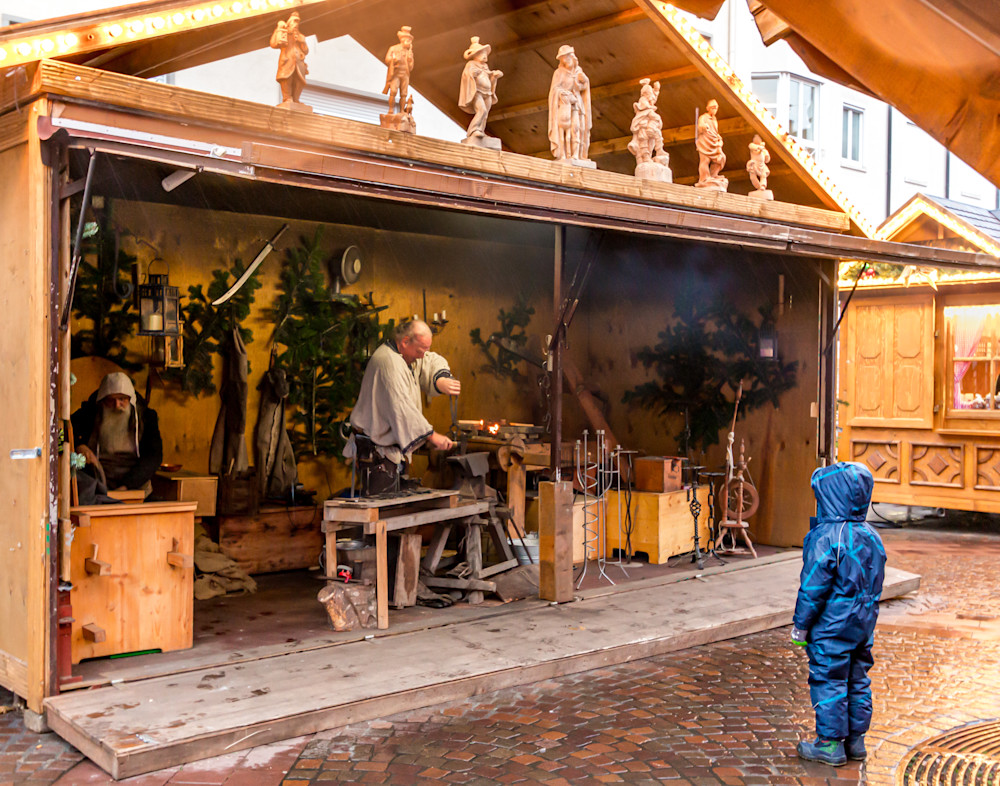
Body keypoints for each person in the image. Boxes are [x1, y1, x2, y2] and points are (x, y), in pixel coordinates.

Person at [791, 462, 886, 766]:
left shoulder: (826, 536)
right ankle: (856, 743)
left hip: (831, 626)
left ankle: (830, 745)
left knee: (829, 678)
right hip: (863, 623)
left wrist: (801, 627)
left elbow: (812, 588)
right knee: (858, 678)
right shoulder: (871, 535)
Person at [345, 320, 461, 495]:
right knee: (382, 509)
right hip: (377, 452)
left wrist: (441, 379)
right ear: (405, 341)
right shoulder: (387, 363)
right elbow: (401, 408)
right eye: (420, 350)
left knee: (394, 508)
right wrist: (432, 436)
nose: (422, 355)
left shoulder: (406, 355)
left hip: (390, 450)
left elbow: (430, 360)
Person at [72, 372, 163, 497]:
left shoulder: (146, 418)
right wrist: (79, 445)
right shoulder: (90, 413)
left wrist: (127, 486)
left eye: (122, 399)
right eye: (111, 400)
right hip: (97, 484)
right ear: (103, 400)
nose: (117, 406)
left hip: (135, 485)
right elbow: (63, 431)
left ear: (130, 399)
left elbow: (154, 456)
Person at [547, 45, 592, 162]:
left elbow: (582, 87)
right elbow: (554, 90)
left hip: (577, 105)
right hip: (565, 105)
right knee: (564, 130)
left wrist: (584, 81)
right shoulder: (558, 73)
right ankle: (564, 154)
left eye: (566, 57)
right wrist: (562, 93)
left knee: (578, 129)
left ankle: (577, 154)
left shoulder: (578, 72)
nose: (564, 60)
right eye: (562, 58)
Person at [458, 37, 503, 144]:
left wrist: (494, 77)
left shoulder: (485, 66)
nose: (483, 56)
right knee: (481, 110)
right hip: (477, 92)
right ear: (474, 56)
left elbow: (489, 78)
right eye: (480, 54)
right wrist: (472, 74)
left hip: (487, 92)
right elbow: (467, 76)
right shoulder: (471, 65)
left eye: (484, 54)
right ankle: (473, 130)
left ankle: (481, 129)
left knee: (485, 113)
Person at [270, 12, 309, 106]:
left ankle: (296, 99)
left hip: (299, 63)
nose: (296, 25)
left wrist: (302, 42)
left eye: (297, 22)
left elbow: (306, 50)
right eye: (294, 22)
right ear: (289, 23)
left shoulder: (300, 36)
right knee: (287, 79)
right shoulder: (283, 32)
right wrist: (279, 28)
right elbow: (273, 44)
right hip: (287, 60)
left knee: (299, 81)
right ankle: (287, 98)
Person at [695, 98, 726, 188]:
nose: (714, 109)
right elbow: (700, 127)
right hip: (704, 142)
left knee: (721, 158)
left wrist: (718, 137)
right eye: (712, 107)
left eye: (716, 108)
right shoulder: (703, 117)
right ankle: (704, 179)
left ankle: (713, 175)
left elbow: (714, 131)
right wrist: (704, 126)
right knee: (705, 160)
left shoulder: (715, 119)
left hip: (713, 142)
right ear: (708, 108)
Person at [383, 26, 414, 115]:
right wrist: (394, 59)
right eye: (407, 39)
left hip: (405, 74)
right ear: (402, 39)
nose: (409, 42)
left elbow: (411, 67)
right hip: (395, 73)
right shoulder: (393, 48)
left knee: (404, 94)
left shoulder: (409, 52)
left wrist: (410, 60)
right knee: (393, 91)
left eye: (409, 40)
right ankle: (391, 110)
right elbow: (387, 59)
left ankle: (401, 111)